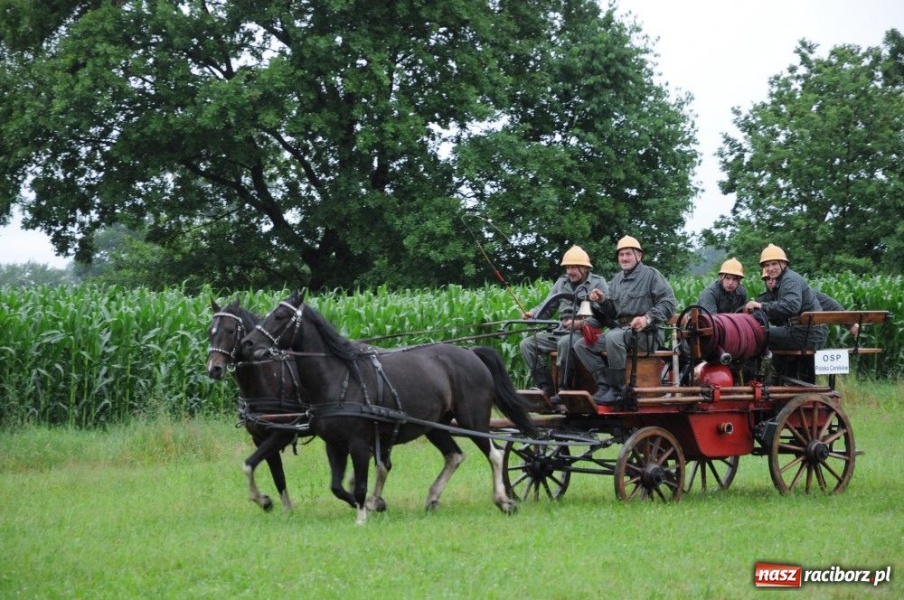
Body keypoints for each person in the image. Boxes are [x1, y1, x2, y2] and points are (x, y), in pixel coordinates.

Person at [573, 236, 676, 405]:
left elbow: (669, 303)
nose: (624, 258)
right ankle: (605, 385)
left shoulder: (651, 275)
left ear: (639, 256)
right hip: (623, 333)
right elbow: (612, 313)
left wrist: (647, 318)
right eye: (621, 255)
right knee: (581, 345)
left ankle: (619, 390)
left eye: (628, 254)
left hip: (646, 335)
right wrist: (602, 301)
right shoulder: (617, 280)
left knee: (614, 337)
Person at [519, 245, 609, 399]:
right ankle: (546, 387)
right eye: (567, 267)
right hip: (561, 331)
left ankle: (564, 389)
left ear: (584, 268)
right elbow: (547, 306)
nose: (569, 271)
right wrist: (533, 314)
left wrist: (581, 323)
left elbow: (605, 313)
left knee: (565, 343)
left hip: (585, 334)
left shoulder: (598, 283)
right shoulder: (561, 283)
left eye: (573, 267)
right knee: (527, 344)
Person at [744, 244, 827, 380]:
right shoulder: (784, 280)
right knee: (765, 333)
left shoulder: (789, 280)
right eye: (767, 265)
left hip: (805, 334)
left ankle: (751, 381)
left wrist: (760, 306)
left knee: (755, 335)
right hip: (807, 332)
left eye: (774, 264)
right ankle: (779, 377)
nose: (770, 268)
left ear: (783, 263)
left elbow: (791, 306)